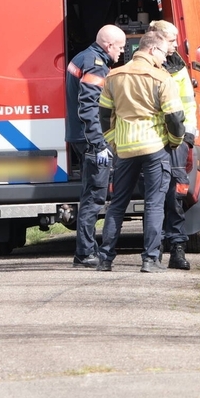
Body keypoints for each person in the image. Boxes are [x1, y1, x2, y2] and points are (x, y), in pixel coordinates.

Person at [95, 31, 185, 273]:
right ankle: (150, 259)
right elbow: (175, 118)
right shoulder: (161, 78)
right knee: (154, 204)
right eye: (163, 53)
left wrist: (113, 141)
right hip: (154, 147)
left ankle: (105, 259)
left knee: (117, 204)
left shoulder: (113, 76)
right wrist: (174, 141)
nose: (165, 59)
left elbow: (104, 115)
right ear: (152, 50)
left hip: (124, 148)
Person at [65, 24, 126, 267]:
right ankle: (85, 253)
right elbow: (89, 106)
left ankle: (86, 249)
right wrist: (99, 143)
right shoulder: (96, 64)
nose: (122, 51)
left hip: (80, 137)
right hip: (91, 140)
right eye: (120, 47)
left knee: (89, 194)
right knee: (94, 196)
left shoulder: (83, 57)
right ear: (108, 45)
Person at [148, 20, 197, 270]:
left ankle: (177, 249)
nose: (176, 44)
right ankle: (153, 250)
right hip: (152, 140)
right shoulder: (142, 63)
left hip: (178, 140)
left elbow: (188, 103)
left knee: (175, 196)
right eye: (171, 40)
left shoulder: (178, 66)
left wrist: (188, 136)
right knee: (155, 197)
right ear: (156, 38)